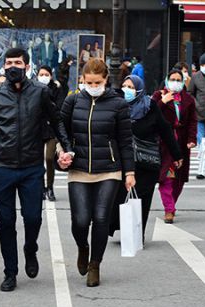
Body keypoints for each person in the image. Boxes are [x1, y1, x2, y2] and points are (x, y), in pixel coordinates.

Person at [0, 48, 73, 292]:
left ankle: (30, 248)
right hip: (2, 169)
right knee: (6, 221)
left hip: (31, 168)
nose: (12, 66)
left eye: (18, 62)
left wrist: (66, 147)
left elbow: (56, 120)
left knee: (33, 217)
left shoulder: (40, 92)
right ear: (3, 66)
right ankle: (10, 272)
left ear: (27, 66)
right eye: (8, 63)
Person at [57, 59, 135, 287]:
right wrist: (63, 152)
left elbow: (125, 140)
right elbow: (60, 129)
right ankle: (83, 246)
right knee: (80, 220)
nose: (92, 85)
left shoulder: (118, 104)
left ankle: (95, 265)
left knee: (101, 218)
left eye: (97, 82)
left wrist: (129, 171)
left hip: (109, 171)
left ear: (106, 80)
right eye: (88, 82)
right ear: (81, 79)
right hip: (79, 169)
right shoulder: (72, 101)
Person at [109, 75, 182, 242]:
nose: (127, 89)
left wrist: (176, 154)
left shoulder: (150, 107)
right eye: (124, 85)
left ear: (139, 90)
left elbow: (166, 130)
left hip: (146, 163)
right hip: (124, 162)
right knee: (120, 196)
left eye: (131, 87)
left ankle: (137, 234)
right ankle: (122, 228)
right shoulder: (118, 106)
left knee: (141, 199)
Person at [152, 69, 198, 224]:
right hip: (164, 143)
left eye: (179, 80)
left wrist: (192, 139)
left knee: (179, 179)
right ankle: (169, 209)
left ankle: (171, 204)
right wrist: (163, 102)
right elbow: (151, 115)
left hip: (182, 142)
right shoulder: (158, 95)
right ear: (167, 80)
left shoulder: (188, 99)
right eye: (173, 79)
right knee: (166, 177)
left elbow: (192, 121)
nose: (176, 82)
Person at [37, 65, 68, 202]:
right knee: (37, 160)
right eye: (41, 74)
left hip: (51, 129)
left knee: (49, 158)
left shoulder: (57, 88)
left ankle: (49, 187)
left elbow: (59, 107)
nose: (43, 77)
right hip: (36, 129)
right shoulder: (33, 88)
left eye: (46, 74)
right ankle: (40, 187)